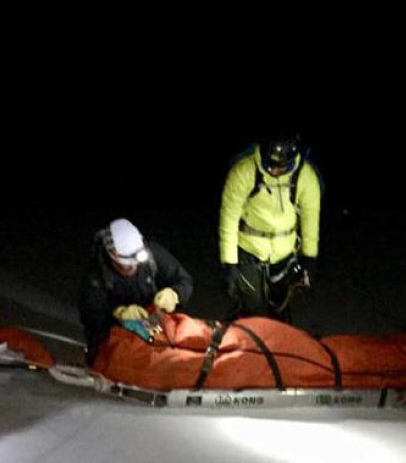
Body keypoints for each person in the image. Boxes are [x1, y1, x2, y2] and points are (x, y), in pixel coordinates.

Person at [218, 133, 322, 323]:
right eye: (269, 165)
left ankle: (280, 343)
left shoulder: (306, 176)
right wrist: (229, 263)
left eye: (280, 167)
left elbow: (310, 220)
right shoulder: (243, 171)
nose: (274, 170)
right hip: (249, 249)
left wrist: (309, 258)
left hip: (285, 252)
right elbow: (229, 220)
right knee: (253, 306)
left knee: (280, 305)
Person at [78, 219, 193, 364]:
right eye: (125, 266)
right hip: (114, 333)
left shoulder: (152, 255)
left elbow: (184, 280)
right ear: (112, 257)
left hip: (152, 323)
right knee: (118, 361)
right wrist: (118, 313)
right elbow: (90, 313)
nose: (131, 269)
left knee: (179, 349)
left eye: (135, 265)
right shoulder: (96, 273)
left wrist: (175, 294)